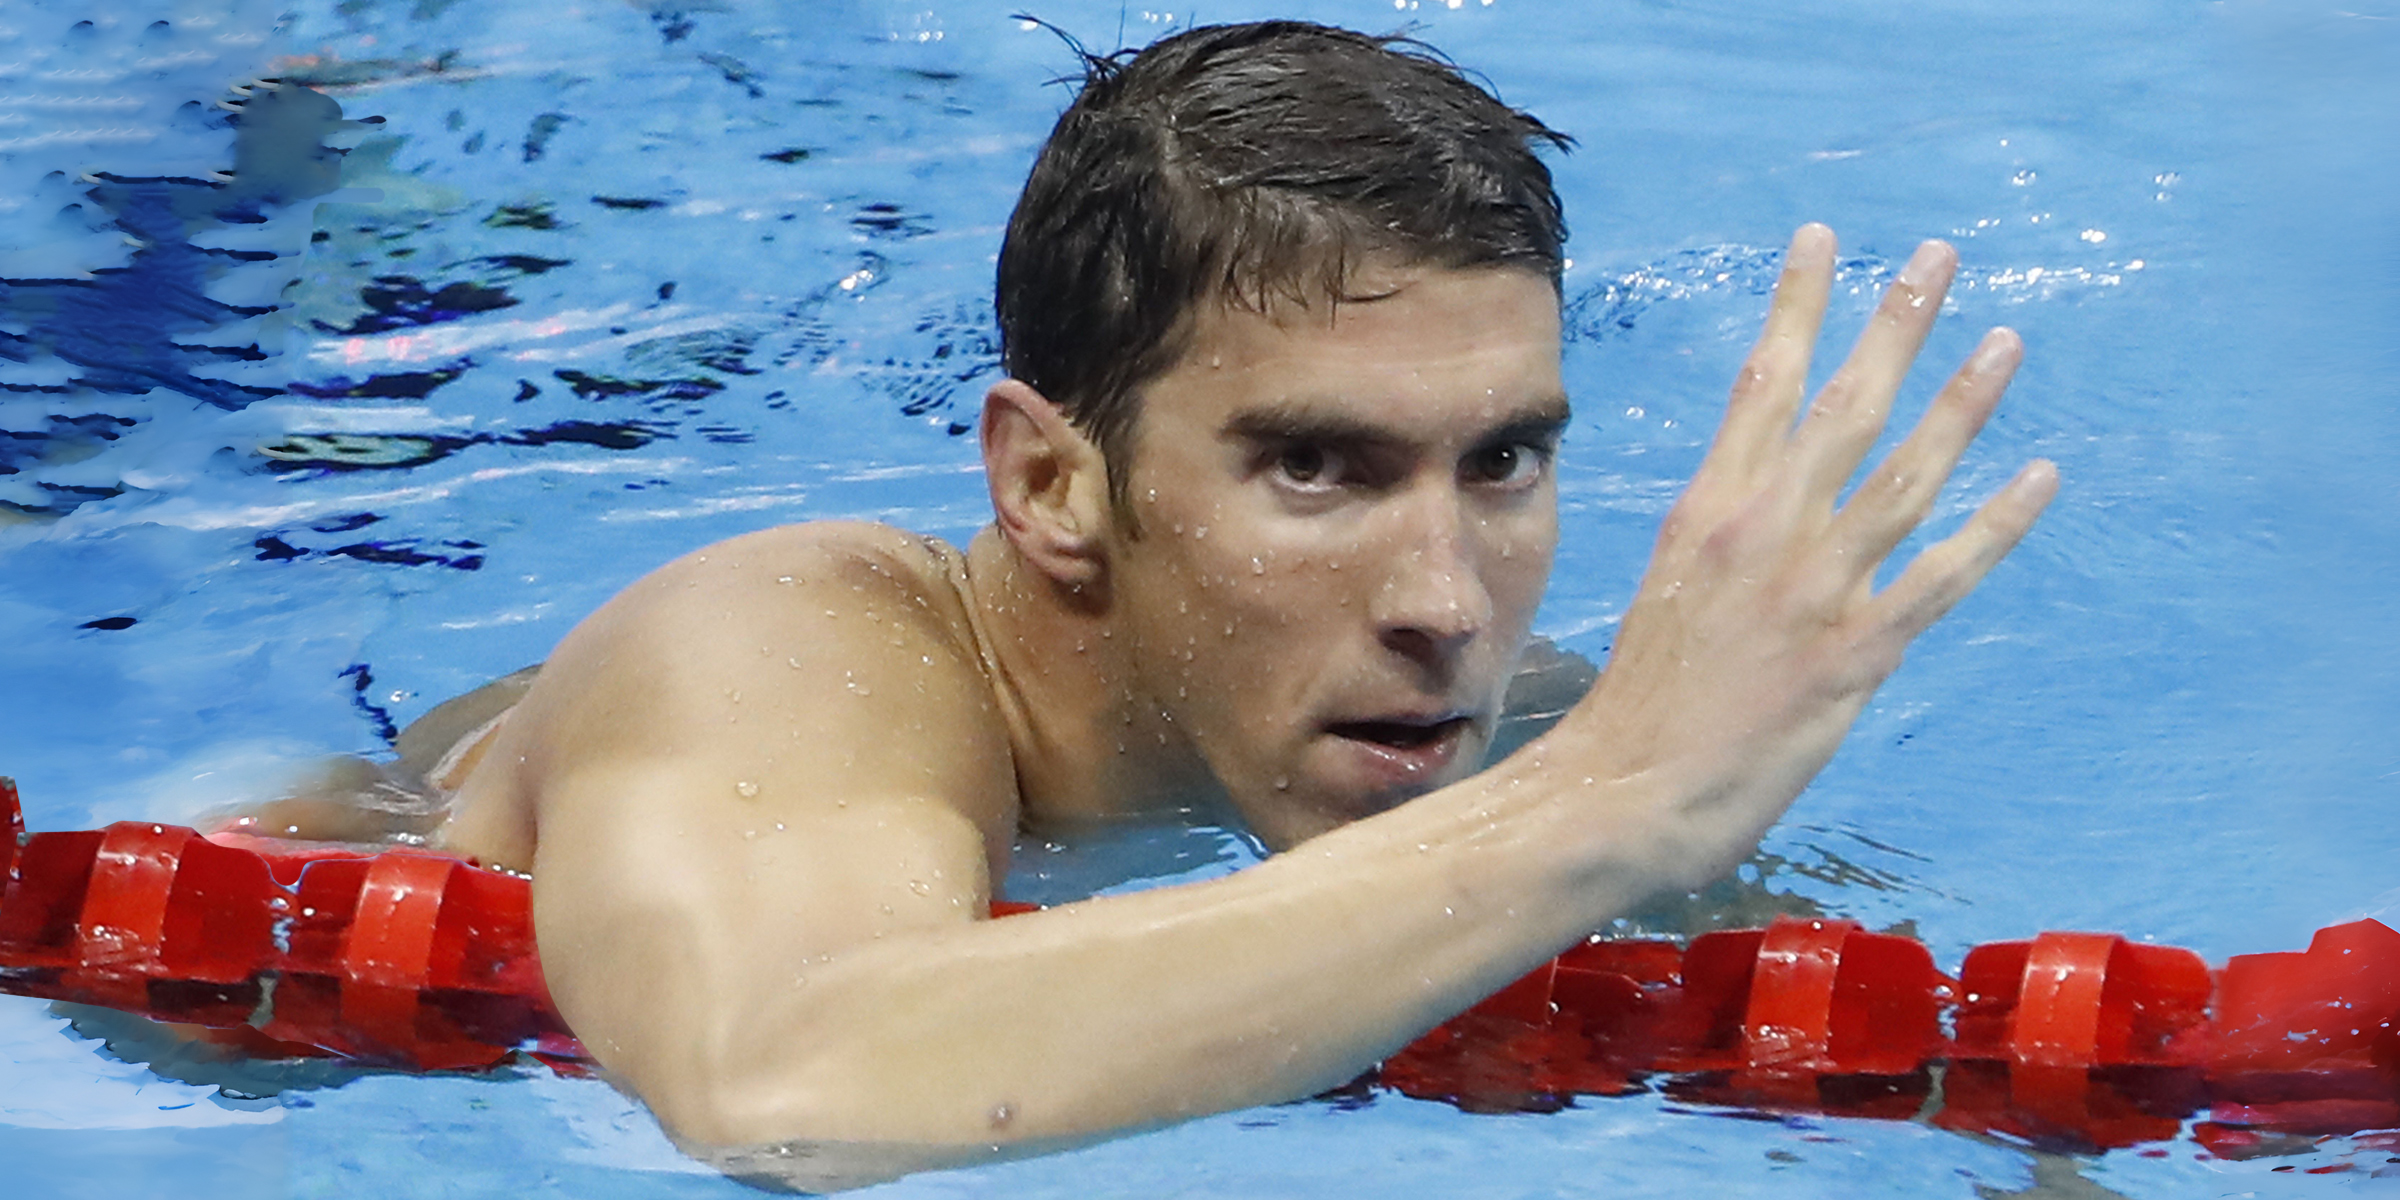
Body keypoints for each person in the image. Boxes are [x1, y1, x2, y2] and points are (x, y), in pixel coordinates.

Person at [242, 20, 2055, 1189]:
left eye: (1503, 461)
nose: (1445, 602)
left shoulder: (1561, 736)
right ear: (1050, 485)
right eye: (1317, 469)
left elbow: (1963, 1080)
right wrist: (1600, 809)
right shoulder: (784, 653)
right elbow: (776, 1082)